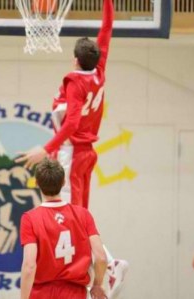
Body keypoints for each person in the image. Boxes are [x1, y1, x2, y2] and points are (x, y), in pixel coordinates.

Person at [16, 1, 128, 297]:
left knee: (74, 217)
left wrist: (46, 148)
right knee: (80, 215)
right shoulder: (99, 71)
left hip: (73, 153)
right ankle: (104, 265)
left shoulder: (75, 82)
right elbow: (107, 28)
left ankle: (110, 266)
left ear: (75, 60)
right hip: (87, 153)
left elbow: (73, 121)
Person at [20, 158, 108, 299]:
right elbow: (101, 257)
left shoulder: (30, 218)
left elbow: (29, 266)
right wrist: (97, 285)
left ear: (36, 183)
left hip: (41, 294)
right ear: (63, 182)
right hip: (75, 293)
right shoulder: (83, 214)